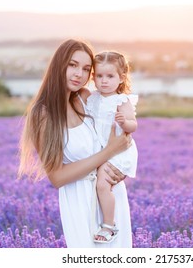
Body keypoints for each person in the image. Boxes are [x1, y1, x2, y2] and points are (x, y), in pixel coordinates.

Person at [18, 39, 133, 248]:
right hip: (79, 199)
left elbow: (121, 134)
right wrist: (108, 152)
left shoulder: (86, 98)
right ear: (58, 65)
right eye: (72, 65)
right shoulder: (42, 113)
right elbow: (57, 177)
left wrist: (120, 165)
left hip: (110, 194)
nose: (79, 74)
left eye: (86, 69)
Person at [87, 51, 138, 243]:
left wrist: (124, 122)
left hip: (119, 152)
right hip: (103, 151)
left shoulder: (121, 100)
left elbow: (133, 126)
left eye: (110, 76)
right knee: (98, 185)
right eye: (99, 76)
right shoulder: (93, 98)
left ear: (121, 78)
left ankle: (109, 225)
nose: (104, 81)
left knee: (102, 184)